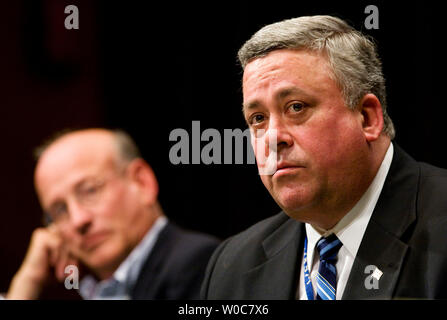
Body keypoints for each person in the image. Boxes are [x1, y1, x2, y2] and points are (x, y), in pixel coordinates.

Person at [201, 15, 447, 300]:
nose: (272, 138)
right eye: (258, 118)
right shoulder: (232, 266)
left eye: (296, 107)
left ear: (367, 117)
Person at [6, 128, 220, 299]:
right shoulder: (84, 289)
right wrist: (28, 281)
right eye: (60, 210)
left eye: (90, 191)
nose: (79, 220)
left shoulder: (197, 265)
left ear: (141, 182)